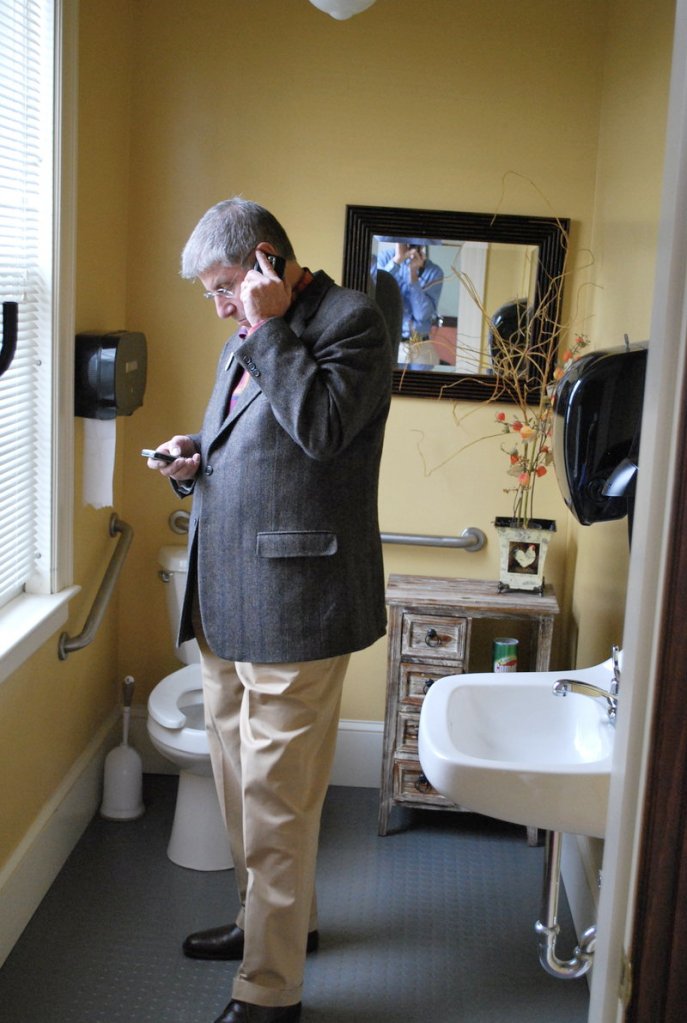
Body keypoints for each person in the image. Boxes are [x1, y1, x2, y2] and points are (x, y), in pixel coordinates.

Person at [146, 198, 393, 1023]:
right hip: (224, 600)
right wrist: (193, 457)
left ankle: (269, 989)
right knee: (237, 789)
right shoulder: (245, 335)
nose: (219, 308)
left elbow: (321, 428)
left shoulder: (353, 321)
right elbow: (254, 444)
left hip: (300, 604)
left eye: (223, 287)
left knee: (275, 802)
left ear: (262, 260)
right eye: (213, 297)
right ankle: (278, 925)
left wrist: (268, 327)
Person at [376, 240, 443, 367]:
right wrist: (397, 261)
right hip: (389, 343)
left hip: (421, 345)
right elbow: (376, 294)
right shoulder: (385, 259)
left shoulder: (434, 272)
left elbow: (422, 315)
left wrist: (413, 275)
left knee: (421, 386)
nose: (411, 243)